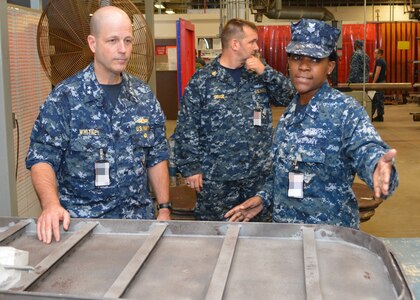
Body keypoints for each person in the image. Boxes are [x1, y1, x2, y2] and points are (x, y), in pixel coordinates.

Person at [225, 19, 398, 229]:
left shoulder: (345, 110)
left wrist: (378, 167)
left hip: (328, 238)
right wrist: (264, 198)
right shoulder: (290, 111)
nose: (304, 66)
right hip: (287, 233)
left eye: (315, 59)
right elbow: (284, 172)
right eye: (297, 57)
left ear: (330, 66)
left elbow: (366, 148)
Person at [26, 6, 171, 244]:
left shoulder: (143, 97)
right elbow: (42, 158)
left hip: (137, 226)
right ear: (93, 44)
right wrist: (51, 205)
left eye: (127, 40)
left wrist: (164, 207)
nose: (123, 50)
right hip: (82, 228)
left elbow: (156, 156)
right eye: (113, 41)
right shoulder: (65, 98)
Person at [173, 18, 295, 221]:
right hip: (217, 179)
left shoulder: (259, 75)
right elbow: (187, 125)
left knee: (259, 235)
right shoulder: (203, 80)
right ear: (235, 44)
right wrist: (190, 167)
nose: (257, 47)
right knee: (216, 234)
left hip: (257, 177)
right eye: (252, 42)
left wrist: (266, 72)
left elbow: (290, 97)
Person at [371, 48, 387, 122]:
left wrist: (373, 82)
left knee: (376, 99)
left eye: (375, 53)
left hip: (379, 83)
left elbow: (378, 72)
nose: (374, 54)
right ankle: (380, 116)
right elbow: (384, 73)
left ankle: (378, 116)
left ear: (379, 54)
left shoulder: (379, 61)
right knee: (380, 99)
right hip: (382, 81)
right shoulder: (383, 61)